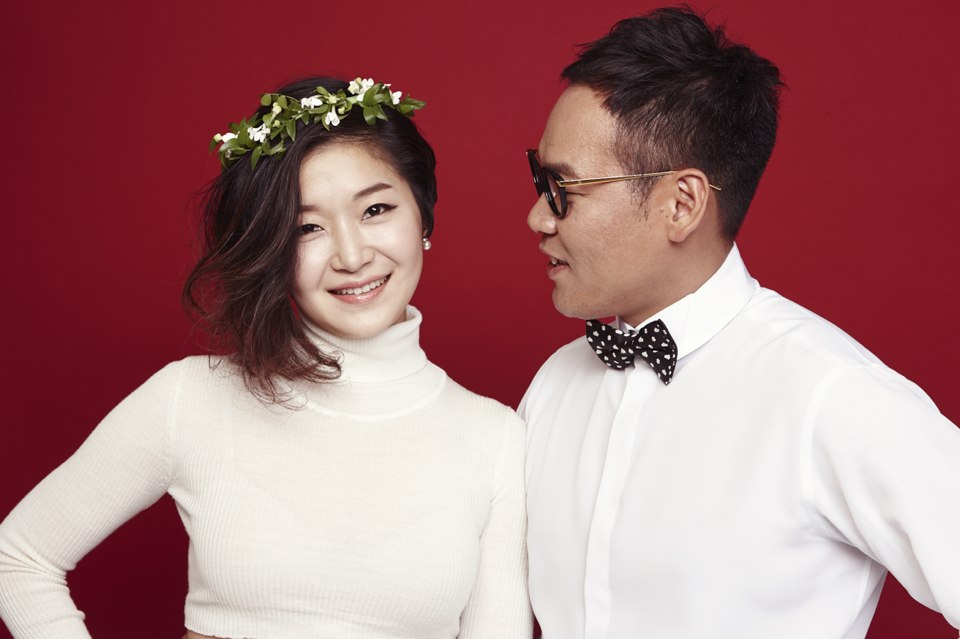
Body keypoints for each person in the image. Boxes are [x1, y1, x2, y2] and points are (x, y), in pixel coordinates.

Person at [0, 76, 531, 639]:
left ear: (424, 217)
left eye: (375, 209)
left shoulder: (494, 439)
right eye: (307, 227)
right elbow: (19, 559)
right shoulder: (191, 398)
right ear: (271, 246)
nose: (352, 256)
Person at [519, 7, 960, 639]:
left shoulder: (832, 396)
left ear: (682, 203)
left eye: (565, 188)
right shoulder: (555, 384)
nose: (537, 217)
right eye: (539, 180)